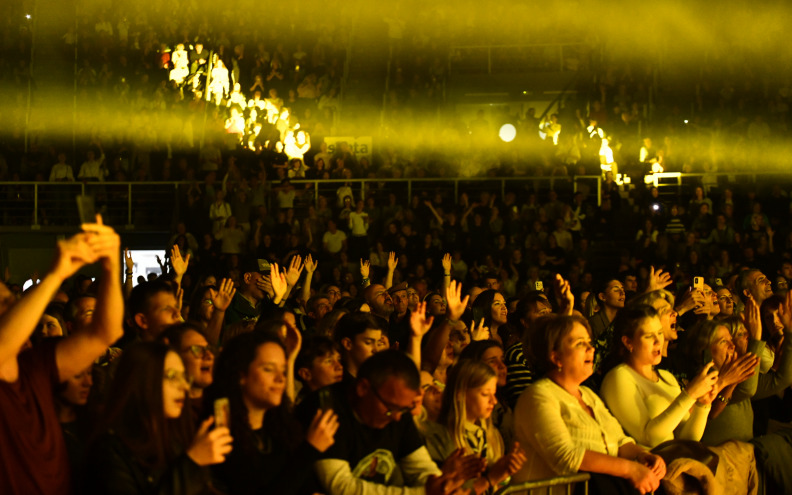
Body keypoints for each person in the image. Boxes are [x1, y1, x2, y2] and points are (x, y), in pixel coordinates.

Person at [0, 217, 123, 495]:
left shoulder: (36, 364)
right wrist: (55, 275)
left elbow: (105, 332)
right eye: (2, 303)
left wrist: (111, 266)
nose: (13, 307)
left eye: (12, 300)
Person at [513, 314, 666, 494]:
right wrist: (630, 469)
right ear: (555, 357)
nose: (591, 349)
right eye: (580, 343)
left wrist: (642, 455)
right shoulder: (538, 396)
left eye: (589, 342)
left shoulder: (588, 395)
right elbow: (567, 456)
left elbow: (619, 441)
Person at [298, 349, 468, 494]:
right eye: (390, 408)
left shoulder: (398, 408)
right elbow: (341, 486)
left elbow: (420, 467)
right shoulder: (326, 408)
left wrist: (442, 485)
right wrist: (423, 493)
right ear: (363, 388)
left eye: (403, 410)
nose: (396, 418)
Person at [85, 342, 232, 494]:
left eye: (183, 377)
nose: (185, 386)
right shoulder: (110, 449)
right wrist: (192, 463)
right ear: (141, 380)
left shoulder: (173, 438)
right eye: (172, 376)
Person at [428, 359, 527, 493]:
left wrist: (506, 469)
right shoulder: (442, 438)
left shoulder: (490, 434)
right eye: (485, 394)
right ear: (460, 394)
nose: (494, 401)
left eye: (494, 394)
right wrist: (491, 478)